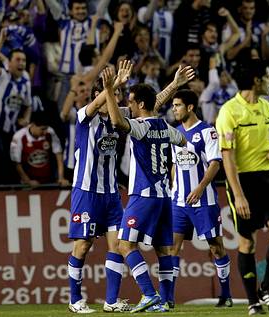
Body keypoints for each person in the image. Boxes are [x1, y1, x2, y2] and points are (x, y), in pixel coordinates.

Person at [112, 62, 194, 313]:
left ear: (141, 105)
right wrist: (175, 85)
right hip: (164, 196)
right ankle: (167, 301)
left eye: (132, 101)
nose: (129, 104)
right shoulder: (165, 127)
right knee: (163, 249)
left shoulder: (140, 127)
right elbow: (182, 140)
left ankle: (149, 294)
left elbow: (117, 121)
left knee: (124, 245)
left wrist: (109, 88)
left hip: (143, 195)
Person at [216, 60, 269, 316]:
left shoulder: (267, 106)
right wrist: (238, 195)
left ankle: (267, 288)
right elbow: (228, 157)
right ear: (257, 80)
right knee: (247, 243)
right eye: (267, 77)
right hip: (243, 182)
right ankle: (252, 303)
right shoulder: (229, 111)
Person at [65, 65, 134, 314]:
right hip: (86, 192)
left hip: (111, 194)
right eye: (111, 96)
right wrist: (111, 85)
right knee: (82, 246)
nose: (115, 99)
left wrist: (174, 85)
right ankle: (74, 300)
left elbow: (150, 106)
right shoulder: (84, 116)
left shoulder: (117, 117)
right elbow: (95, 105)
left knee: (116, 245)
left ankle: (111, 301)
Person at [170, 89, 232, 308]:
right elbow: (174, 165)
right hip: (178, 202)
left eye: (177, 105)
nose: (174, 109)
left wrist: (199, 188)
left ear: (190, 107)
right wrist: (173, 189)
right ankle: (168, 298)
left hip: (204, 200)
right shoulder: (174, 133)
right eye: (173, 105)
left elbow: (215, 163)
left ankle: (225, 294)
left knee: (216, 247)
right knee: (172, 248)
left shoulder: (207, 132)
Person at [10, 111, 67, 187]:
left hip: (48, 181)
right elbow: (16, 163)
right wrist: (28, 181)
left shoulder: (50, 132)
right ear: (33, 125)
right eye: (42, 129)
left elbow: (59, 154)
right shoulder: (19, 137)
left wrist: (61, 177)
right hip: (27, 184)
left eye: (46, 128)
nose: (44, 132)